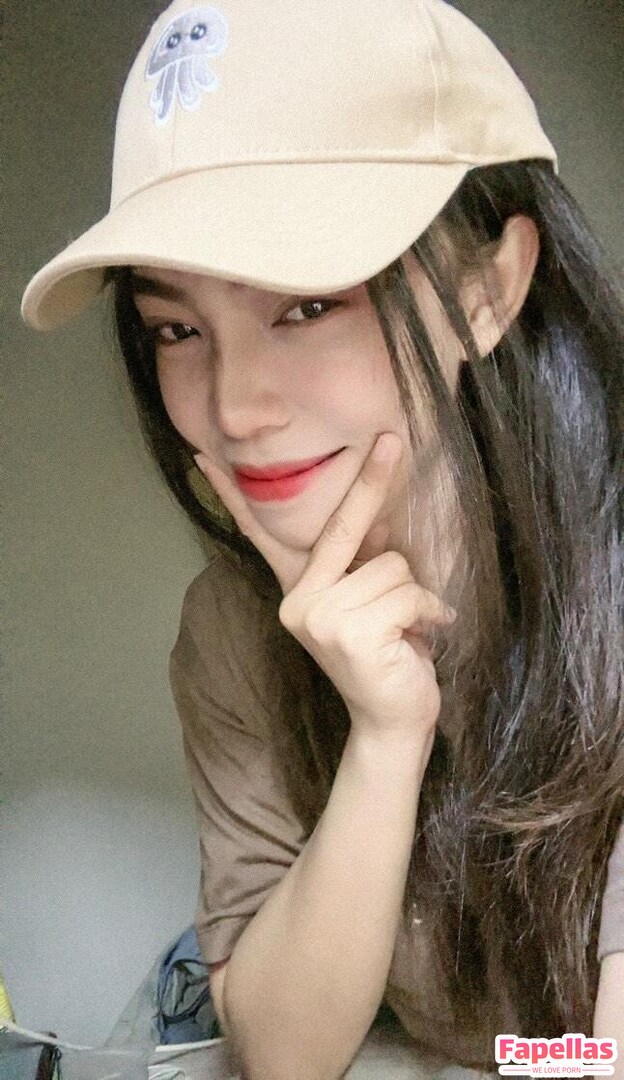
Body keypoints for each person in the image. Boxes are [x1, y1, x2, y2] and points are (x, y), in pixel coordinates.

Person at [21, 1, 623, 1077]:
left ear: (489, 290)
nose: (234, 406)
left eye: (305, 306)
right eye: (176, 328)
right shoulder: (235, 628)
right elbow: (284, 1054)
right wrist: (384, 738)